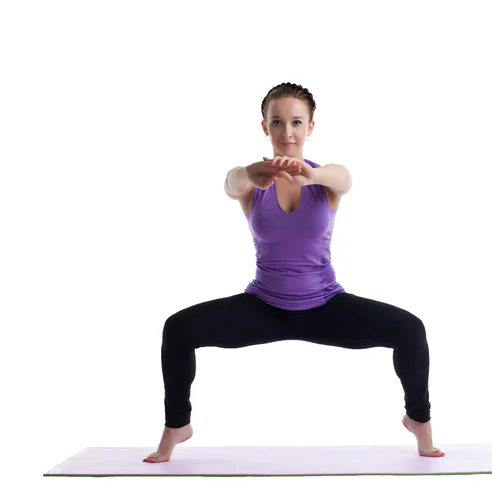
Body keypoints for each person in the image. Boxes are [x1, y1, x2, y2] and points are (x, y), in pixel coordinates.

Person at [144, 82, 445, 463]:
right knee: (179, 328)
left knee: (410, 330)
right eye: (278, 122)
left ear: (310, 127)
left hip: (325, 306)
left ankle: (419, 422)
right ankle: (177, 426)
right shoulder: (254, 182)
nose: (288, 132)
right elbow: (230, 183)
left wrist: (312, 176)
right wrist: (248, 174)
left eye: (297, 122)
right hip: (263, 307)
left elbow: (344, 178)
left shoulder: (325, 180)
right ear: (265, 127)